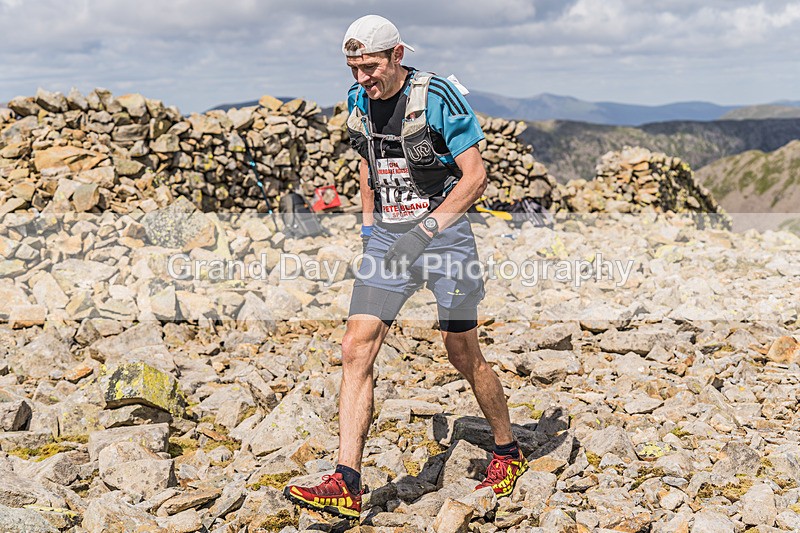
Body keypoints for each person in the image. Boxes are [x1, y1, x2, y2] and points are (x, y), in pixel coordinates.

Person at [284, 14, 528, 519]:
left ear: (397, 55)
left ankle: (507, 450)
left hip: (445, 239)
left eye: (370, 67)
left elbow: (475, 177)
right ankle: (345, 481)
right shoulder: (360, 100)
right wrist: (372, 229)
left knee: (462, 350)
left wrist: (425, 232)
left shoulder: (437, 97)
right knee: (356, 347)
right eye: (353, 68)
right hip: (390, 242)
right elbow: (368, 162)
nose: (361, 79)